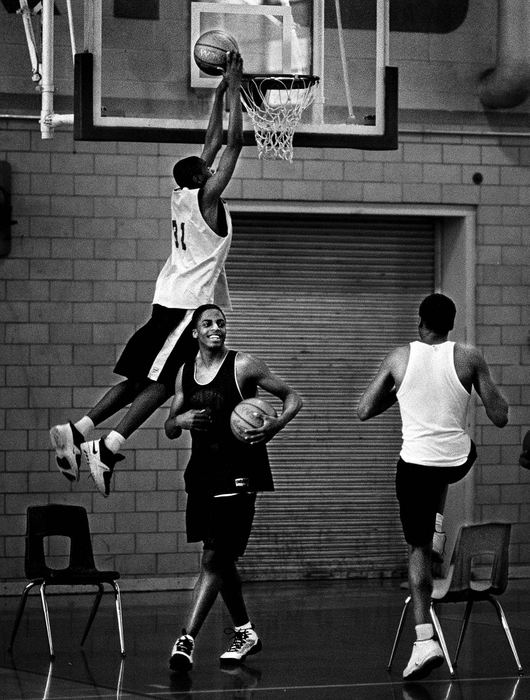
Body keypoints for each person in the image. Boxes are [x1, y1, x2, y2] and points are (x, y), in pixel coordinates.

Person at [49, 52, 244, 497]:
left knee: (139, 380)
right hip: (185, 306)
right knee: (165, 381)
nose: (213, 167)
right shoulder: (206, 198)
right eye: (209, 169)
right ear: (204, 178)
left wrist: (217, 98)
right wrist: (235, 89)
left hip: (169, 299)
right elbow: (231, 145)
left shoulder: (183, 192)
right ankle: (108, 447)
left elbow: (210, 142)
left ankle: (76, 431)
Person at [357, 293, 508, 681]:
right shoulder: (469, 356)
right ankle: (437, 523)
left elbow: (364, 410)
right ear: (451, 325)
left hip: (416, 466)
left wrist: (403, 388)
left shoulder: (399, 357)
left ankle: (424, 639)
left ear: (420, 322)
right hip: (459, 460)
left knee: (417, 549)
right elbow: (500, 416)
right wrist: (479, 385)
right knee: (441, 470)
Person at [165, 304, 302, 672]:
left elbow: (293, 397)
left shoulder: (244, 366)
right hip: (202, 475)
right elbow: (169, 425)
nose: (216, 328)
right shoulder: (185, 374)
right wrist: (181, 418)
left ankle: (186, 640)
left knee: (213, 559)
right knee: (220, 560)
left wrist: (273, 427)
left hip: (240, 473)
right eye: (207, 324)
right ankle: (244, 631)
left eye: (221, 323)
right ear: (194, 332)